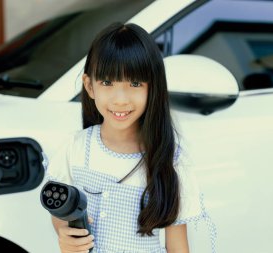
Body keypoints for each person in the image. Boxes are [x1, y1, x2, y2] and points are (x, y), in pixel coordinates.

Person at [46, 22, 214, 253]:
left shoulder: (169, 160)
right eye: (107, 82)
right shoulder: (75, 148)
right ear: (90, 86)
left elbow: (177, 246)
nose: (120, 100)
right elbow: (61, 214)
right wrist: (65, 234)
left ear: (152, 88)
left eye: (135, 83)